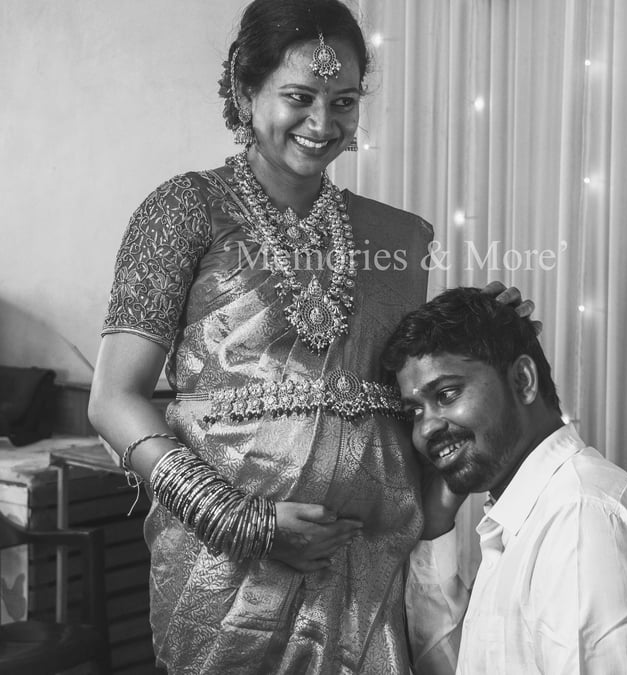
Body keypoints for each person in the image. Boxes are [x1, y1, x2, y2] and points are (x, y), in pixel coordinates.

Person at [88, 1, 438, 672]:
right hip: (223, 571)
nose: (323, 123)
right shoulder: (183, 210)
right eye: (300, 97)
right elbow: (111, 399)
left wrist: (489, 338)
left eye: (344, 101)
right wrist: (243, 523)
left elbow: (407, 394)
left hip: (360, 567)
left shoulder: (398, 237)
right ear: (246, 94)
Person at [381, 287, 627, 674]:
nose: (427, 429)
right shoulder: (528, 517)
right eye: (415, 411)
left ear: (522, 380)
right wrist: (435, 526)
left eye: (447, 394)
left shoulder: (581, 519)